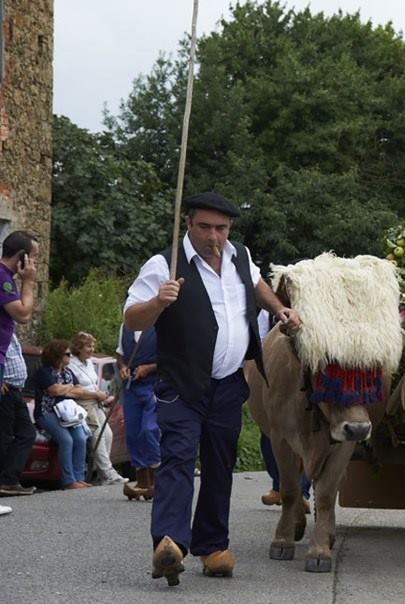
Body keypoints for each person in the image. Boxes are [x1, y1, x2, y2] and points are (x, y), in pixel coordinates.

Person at [123, 191, 301, 586]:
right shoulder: (164, 264)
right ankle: (168, 543)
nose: (213, 236)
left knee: (220, 466)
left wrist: (278, 308)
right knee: (178, 459)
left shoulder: (240, 254)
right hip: (182, 383)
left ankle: (213, 545)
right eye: (204, 227)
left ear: (230, 229)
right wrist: (157, 301)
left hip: (228, 384)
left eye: (221, 228)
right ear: (189, 224)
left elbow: (257, 287)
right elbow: (133, 319)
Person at [254, 310, 311, 512]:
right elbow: (258, 339)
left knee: (307, 434)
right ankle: (278, 485)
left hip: (307, 373)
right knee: (270, 435)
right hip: (275, 370)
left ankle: (300, 491)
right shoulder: (268, 310)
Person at [0, 231, 39, 513]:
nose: (35, 263)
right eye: (34, 257)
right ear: (22, 257)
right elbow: (23, 314)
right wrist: (28, 282)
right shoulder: (3, 277)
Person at [34, 339, 104, 489]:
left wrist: (65, 388)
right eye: (67, 354)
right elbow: (54, 391)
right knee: (66, 440)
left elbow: (79, 392)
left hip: (68, 412)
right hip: (47, 412)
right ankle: (68, 480)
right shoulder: (44, 372)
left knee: (80, 437)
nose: (70, 357)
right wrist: (69, 388)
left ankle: (79, 477)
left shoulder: (68, 372)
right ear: (57, 355)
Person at [68, 331, 126, 485]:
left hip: (96, 402)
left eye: (93, 346)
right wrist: (95, 394)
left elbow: (93, 383)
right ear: (78, 348)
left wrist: (100, 395)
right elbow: (75, 389)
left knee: (108, 435)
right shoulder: (72, 365)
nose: (91, 349)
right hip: (83, 403)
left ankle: (102, 473)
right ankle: (108, 473)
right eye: (88, 346)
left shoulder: (89, 363)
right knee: (97, 436)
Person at [116, 324, 160, 500]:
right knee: (133, 433)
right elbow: (120, 354)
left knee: (149, 429)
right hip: (132, 386)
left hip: (155, 385)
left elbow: (173, 356)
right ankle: (142, 480)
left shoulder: (160, 324)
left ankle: (158, 479)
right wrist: (122, 367)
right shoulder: (125, 327)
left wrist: (149, 368)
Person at [0, 333, 36, 496]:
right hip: (5, 389)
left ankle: (8, 480)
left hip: (16, 390)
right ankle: (5, 481)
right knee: (4, 437)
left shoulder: (9, 331)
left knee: (27, 433)